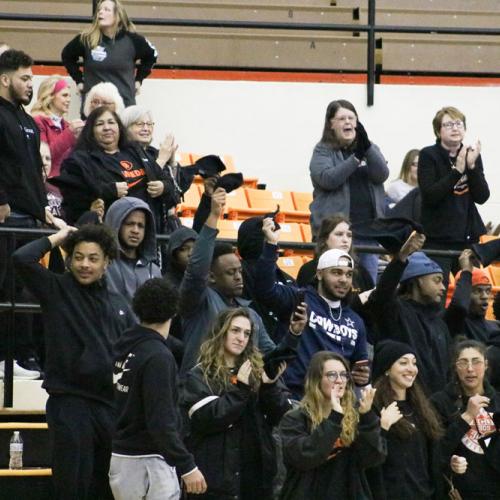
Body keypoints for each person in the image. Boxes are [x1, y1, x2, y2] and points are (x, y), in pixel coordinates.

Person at [12, 224, 134, 500]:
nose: (84, 265)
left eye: (93, 258)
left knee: (106, 486)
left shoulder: (119, 303)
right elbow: (21, 258)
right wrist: (59, 237)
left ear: (107, 262)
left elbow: (132, 350)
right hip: (69, 402)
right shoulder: (56, 289)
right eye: (78, 257)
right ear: (69, 260)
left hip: (109, 406)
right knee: (71, 485)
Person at [182, 307, 298, 499]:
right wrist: (240, 391)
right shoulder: (200, 374)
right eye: (235, 330)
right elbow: (207, 419)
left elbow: (283, 416)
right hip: (217, 480)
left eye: (247, 333)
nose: (241, 338)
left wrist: (269, 388)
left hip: (256, 476)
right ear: (221, 332)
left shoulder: (257, 370)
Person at [253, 217, 370, 398]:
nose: (343, 280)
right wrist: (271, 244)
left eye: (348, 275)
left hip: (334, 402)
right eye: (336, 273)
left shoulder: (356, 321)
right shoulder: (299, 299)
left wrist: (362, 378)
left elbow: (360, 370)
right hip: (295, 396)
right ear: (320, 274)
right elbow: (264, 289)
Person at [110, 278, 206, 499]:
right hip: (149, 461)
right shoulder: (158, 358)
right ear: (174, 312)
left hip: (121, 456)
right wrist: (187, 466)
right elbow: (161, 421)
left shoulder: (124, 345)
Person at [0, 49, 64, 378]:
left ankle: (18, 357)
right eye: (25, 78)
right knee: (4, 290)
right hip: (7, 219)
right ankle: (5, 358)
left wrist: (43, 210)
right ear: (4, 79)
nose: (30, 84)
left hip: (29, 218)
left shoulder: (26, 120)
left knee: (22, 291)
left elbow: (31, 172)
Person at [178, 188, 278, 376]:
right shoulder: (199, 301)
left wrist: (295, 336)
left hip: (239, 396)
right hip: (201, 391)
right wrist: (214, 216)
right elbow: (196, 270)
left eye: (239, 271)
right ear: (212, 277)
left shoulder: (251, 314)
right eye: (231, 272)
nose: (239, 277)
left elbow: (272, 355)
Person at [279, 351, 385, 499]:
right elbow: (306, 456)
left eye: (343, 375)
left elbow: (372, 458)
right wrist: (334, 418)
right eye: (332, 375)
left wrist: (367, 417)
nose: (339, 380)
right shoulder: (295, 419)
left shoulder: (355, 417)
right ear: (316, 380)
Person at [54, 107, 178, 230]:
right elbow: (73, 198)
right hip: (107, 233)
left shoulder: (136, 152)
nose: (107, 127)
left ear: (119, 127)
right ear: (91, 130)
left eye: (111, 122)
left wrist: (163, 187)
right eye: (100, 124)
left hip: (145, 230)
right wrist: (109, 191)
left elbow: (169, 187)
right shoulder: (79, 160)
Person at [309, 99, 389, 283]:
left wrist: (367, 147)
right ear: (331, 124)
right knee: (335, 282)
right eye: (342, 118)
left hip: (369, 233)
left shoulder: (369, 148)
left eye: (351, 118)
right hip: (335, 235)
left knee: (366, 286)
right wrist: (356, 158)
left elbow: (381, 174)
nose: (348, 122)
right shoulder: (322, 150)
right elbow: (328, 179)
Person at [368, 230, 453, 394]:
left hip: (437, 407)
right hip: (403, 403)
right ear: (418, 280)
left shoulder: (439, 323)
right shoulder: (396, 311)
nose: (443, 288)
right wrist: (401, 258)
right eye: (437, 280)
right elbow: (382, 295)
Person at [418, 106, 489, 288]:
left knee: (470, 292)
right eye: (448, 124)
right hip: (437, 239)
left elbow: (482, 196)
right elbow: (431, 195)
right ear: (438, 131)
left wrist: (471, 168)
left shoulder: (471, 154)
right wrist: (457, 171)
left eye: (459, 123)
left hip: (466, 238)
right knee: (436, 293)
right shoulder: (428, 155)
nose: (455, 128)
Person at [369, 340, 444, 500]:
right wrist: (383, 428)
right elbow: (368, 460)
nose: (411, 369)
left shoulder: (423, 408)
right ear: (387, 369)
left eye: (414, 363)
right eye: (403, 363)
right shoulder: (373, 407)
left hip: (424, 494)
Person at [431, 340, 500, 499]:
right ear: (455, 367)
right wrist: (467, 417)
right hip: (458, 492)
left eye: (476, 362)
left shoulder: (497, 402)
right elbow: (436, 452)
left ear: (486, 365)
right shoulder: (440, 402)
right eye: (463, 363)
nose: (470, 369)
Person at [61, 0, 157, 108]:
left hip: (124, 107)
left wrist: (139, 80)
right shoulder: (86, 39)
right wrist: (78, 80)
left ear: (118, 16)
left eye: (106, 10)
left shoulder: (133, 40)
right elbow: (66, 55)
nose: (100, 12)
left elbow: (152, 55)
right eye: (99, 10)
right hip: (94, 108)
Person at [120, 104, 195, 233]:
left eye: (149, 124)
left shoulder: (154, 153)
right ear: (126, 127)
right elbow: (138, 188)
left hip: (160, 225)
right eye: (139, 124)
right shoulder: (121, 154)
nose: (146, 128)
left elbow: (176, 195)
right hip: (132, 224)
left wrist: (171, 164)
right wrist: (161, 161)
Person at [296, 214, 374, 299]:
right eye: (339, 234)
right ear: (325, 239)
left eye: (349, 235)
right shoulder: (308, 270)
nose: (345, 240)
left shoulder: (361, 272)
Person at [104, 196, 161, 303]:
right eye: (129, 224)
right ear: (116, 224)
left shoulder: (154, 271)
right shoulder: (102, 265)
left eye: (141, 226)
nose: (135, 230)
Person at [30, 75, 84, 177]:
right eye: (64, 95)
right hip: (47, 184)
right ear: (50, 96)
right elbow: (45, 157)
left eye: (69, 96)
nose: (69, 100)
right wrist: (69, 133)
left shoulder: (67, 125)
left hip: (66, 183)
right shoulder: (37, 121)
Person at [446, 249, 499, 342]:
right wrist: (466, 271)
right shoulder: (454, 322)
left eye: (488, 291)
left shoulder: (495, 326)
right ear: (465, 292)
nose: (485, 296)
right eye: (477, 291)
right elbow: (459, 306)